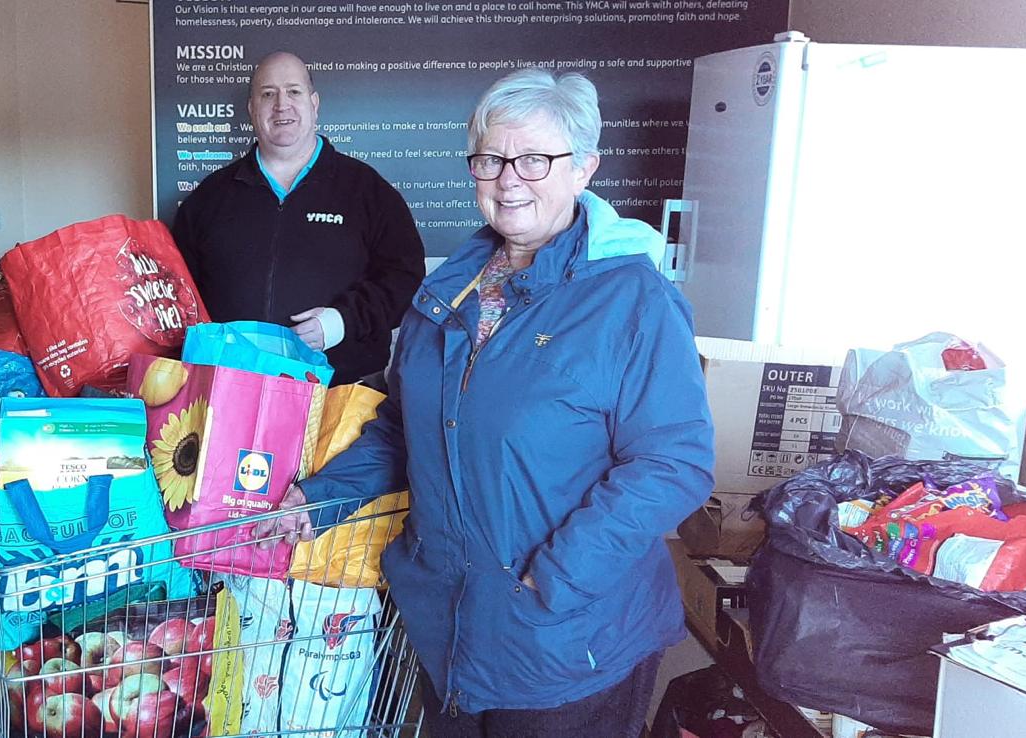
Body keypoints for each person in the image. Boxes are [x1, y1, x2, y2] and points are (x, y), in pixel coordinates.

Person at [255, 69, 715, 737]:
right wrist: (318, 497)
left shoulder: (633, 302)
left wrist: (556, 577)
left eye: (534, 159)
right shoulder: (447, 293)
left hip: (564, 639)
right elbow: (401, 429)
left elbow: (673, 462)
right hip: (444, 626)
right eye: (491, 158)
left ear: (584, 168)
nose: (509, 178)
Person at [171, 51, 425, 385]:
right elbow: (177, 294)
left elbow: (405, 277)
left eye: (294, 91)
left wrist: (341, 321)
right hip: (230, 392)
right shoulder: (209, 198)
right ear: (251, 109)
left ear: (314, 103)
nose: (281, 105)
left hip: (344, 394)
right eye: (267, 94)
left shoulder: (367, 190)